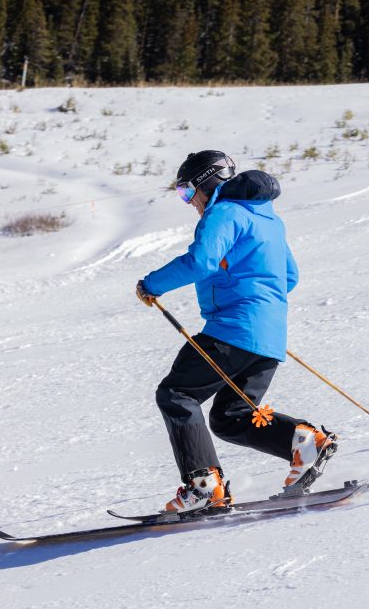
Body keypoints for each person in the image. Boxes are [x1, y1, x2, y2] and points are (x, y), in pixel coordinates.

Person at [135, 150, 336, 514]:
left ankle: (202, 487)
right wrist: (259, 308)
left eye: (185, 192)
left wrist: (151, 284)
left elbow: (201, 261)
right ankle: (305, 441)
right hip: (269, 337)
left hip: (233, 329)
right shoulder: (268, 219)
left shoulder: (222, 212)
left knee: (176, 394)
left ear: (204, 183)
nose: (188, 202)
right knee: (231, 418)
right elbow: (289, 277)